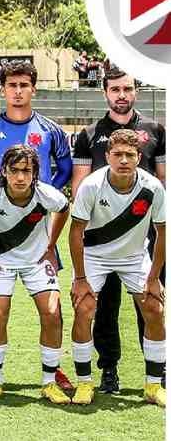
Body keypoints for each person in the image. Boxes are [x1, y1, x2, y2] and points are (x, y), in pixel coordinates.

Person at [0, 61, 73, 389]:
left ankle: (53, 371)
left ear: (33, 89)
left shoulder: (50, 129)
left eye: (23, 85)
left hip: (37, 224)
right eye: (11, 86)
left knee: (51, 303)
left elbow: (65, 168)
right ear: (3, 90)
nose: (17, 91)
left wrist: (39, 197)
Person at [71, 68, 165, 394]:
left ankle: (157, 378)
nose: (121, 94)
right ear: (105, 92)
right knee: (103, 309)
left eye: (127, 88)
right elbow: (80, 184)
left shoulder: (155, 130)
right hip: (99, 233)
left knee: (151, 304)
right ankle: (107, 370)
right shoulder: (90, 133)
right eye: (115, 89)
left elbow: (163, 181)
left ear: (135, 90)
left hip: (141, 233)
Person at [0, 145, 70, 404]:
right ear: (3, 171)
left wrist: (51, 246)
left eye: (26, 171)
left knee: (51, 312)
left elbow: (63, 208)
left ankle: (49, 382)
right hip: (1, 260)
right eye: (14, 170)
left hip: (37, 261)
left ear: (35, 173)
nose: (20, 177)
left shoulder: (47, 195)